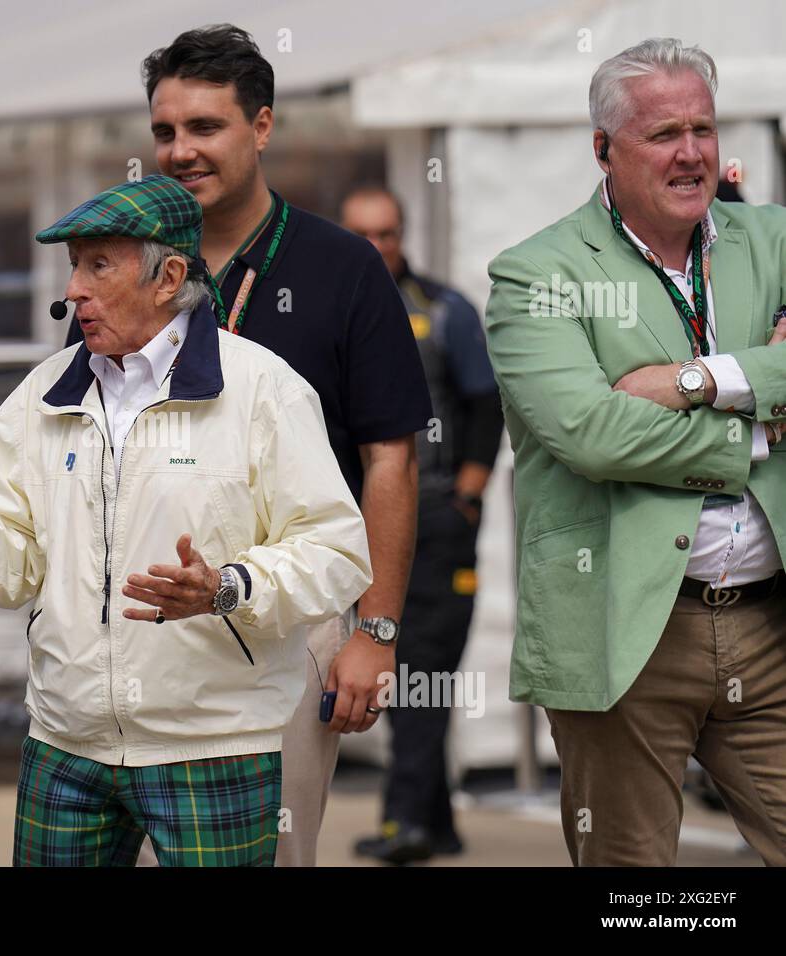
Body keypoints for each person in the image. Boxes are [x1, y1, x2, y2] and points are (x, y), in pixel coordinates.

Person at [0, 174, 372, 867]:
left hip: (213, 745)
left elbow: (336, 552)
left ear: (169, 277)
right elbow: (15, 571)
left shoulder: (264, 391)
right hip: (64, 745)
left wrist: (229, 587)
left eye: (98, 265)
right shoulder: (39, 398)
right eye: (74, 266)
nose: (73, 291)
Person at [66, 24, 432, 866]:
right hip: (137, 611)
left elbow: (391, 458)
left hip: (286, 619)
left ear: (262, 127)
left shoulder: (344, 267)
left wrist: (373, 632)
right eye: (165, 131)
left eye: (206, 128)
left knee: (267, 856)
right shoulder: (128, 261)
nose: (181, 151)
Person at [485, 37, 786, 865]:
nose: (691, 153)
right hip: (624, 627)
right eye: (663, 135)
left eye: (703, 128)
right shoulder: (536, 273)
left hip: (770, 622)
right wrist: (758, 422)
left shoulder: (773, 239)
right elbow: (590, 432)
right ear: (603, 151)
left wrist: (697, 378)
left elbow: (632, 417)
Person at [342, 187, 504, 863]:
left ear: (403, 234)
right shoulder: (335, 312)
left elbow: (487, 406)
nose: (377, 248)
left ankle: (404, 821)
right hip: (360, 526)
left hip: (437, 520)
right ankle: (434, 820)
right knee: (406, 672)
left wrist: (465, 499)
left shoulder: (446, 311)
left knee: (416, 673)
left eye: (388, 234)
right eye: (363, 236)